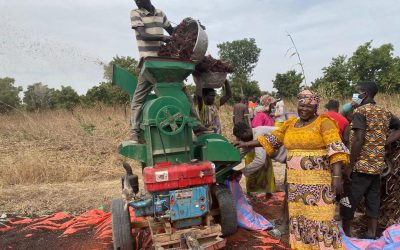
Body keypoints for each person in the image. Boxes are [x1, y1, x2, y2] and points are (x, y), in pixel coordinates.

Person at [235, 89, 349, 249]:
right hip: (296, 183)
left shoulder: (324, 122)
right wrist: (247, 144)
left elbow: (336, 149)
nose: (303, 110)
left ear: (316, 107)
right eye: (301, 106)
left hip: (319, 183)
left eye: (308, 107)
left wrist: (337, 178)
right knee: (300, 216)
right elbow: (272, 139)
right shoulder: (291, 124)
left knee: (321, 217)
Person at [129, 0, 206, 143]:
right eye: (135, 0)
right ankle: (134, 131)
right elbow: (142, 35)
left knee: (184, 94)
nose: (137, 2)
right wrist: (163, 38)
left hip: (164, 63)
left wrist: (192, 29)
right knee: (138, 99)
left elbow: (173, 32)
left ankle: (197, 128)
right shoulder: (136, 13)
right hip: (149, 63)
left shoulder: (160, 14)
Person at [341, 81, 400, 239]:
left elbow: (358, 139)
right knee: (373, 200)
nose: (354, 95)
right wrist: (383, 142)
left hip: (360, 166)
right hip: (377, 166)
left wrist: (350, 166)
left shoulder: (360, 112)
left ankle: (346, 235)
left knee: (349, 199)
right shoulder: (384, 111)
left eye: (356, 92)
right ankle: (371, 233)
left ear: (364, 94)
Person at [233, 122, 280, 199]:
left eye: (240, 137)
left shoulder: (258, 134)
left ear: (246, 131)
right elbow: (241, 154)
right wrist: (228, 163)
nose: (240, 139)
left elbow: (260, 160)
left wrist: (241, 171)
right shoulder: (249, 137)